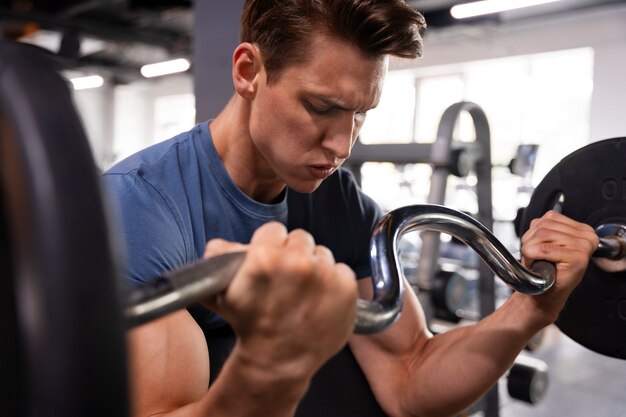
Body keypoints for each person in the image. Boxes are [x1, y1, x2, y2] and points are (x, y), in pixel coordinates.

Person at [102, 1, 599, 416]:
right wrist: (269, 365)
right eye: (321, 108)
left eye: (360, 114)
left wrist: (535, 306)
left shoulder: (338, 203)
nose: (343, 145)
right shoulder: (143, 207)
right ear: (248, 72)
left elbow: (409, 375)